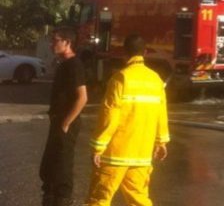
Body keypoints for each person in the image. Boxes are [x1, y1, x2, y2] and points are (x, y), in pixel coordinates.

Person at [84, 35, 170, 206]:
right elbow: (162, 112)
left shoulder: (120, 78)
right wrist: (161, 141)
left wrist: (98, 146)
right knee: (139, 198)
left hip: (115, 154)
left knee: (99, 199)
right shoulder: (156, 80)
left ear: (124, 53)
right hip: (142, 155)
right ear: (145, 52)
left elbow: (110, 115)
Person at [40, 26, 88, 206]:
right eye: (52, 40)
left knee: (62, 167)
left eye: (56, 40)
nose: (52, 44)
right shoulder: (64, 64)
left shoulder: (74, 65)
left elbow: (82, 97)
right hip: (58, 121)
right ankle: (49, 198)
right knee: (50, 165)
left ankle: (62, 201)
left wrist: (66, 123)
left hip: (66, 123)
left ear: (67, 43)